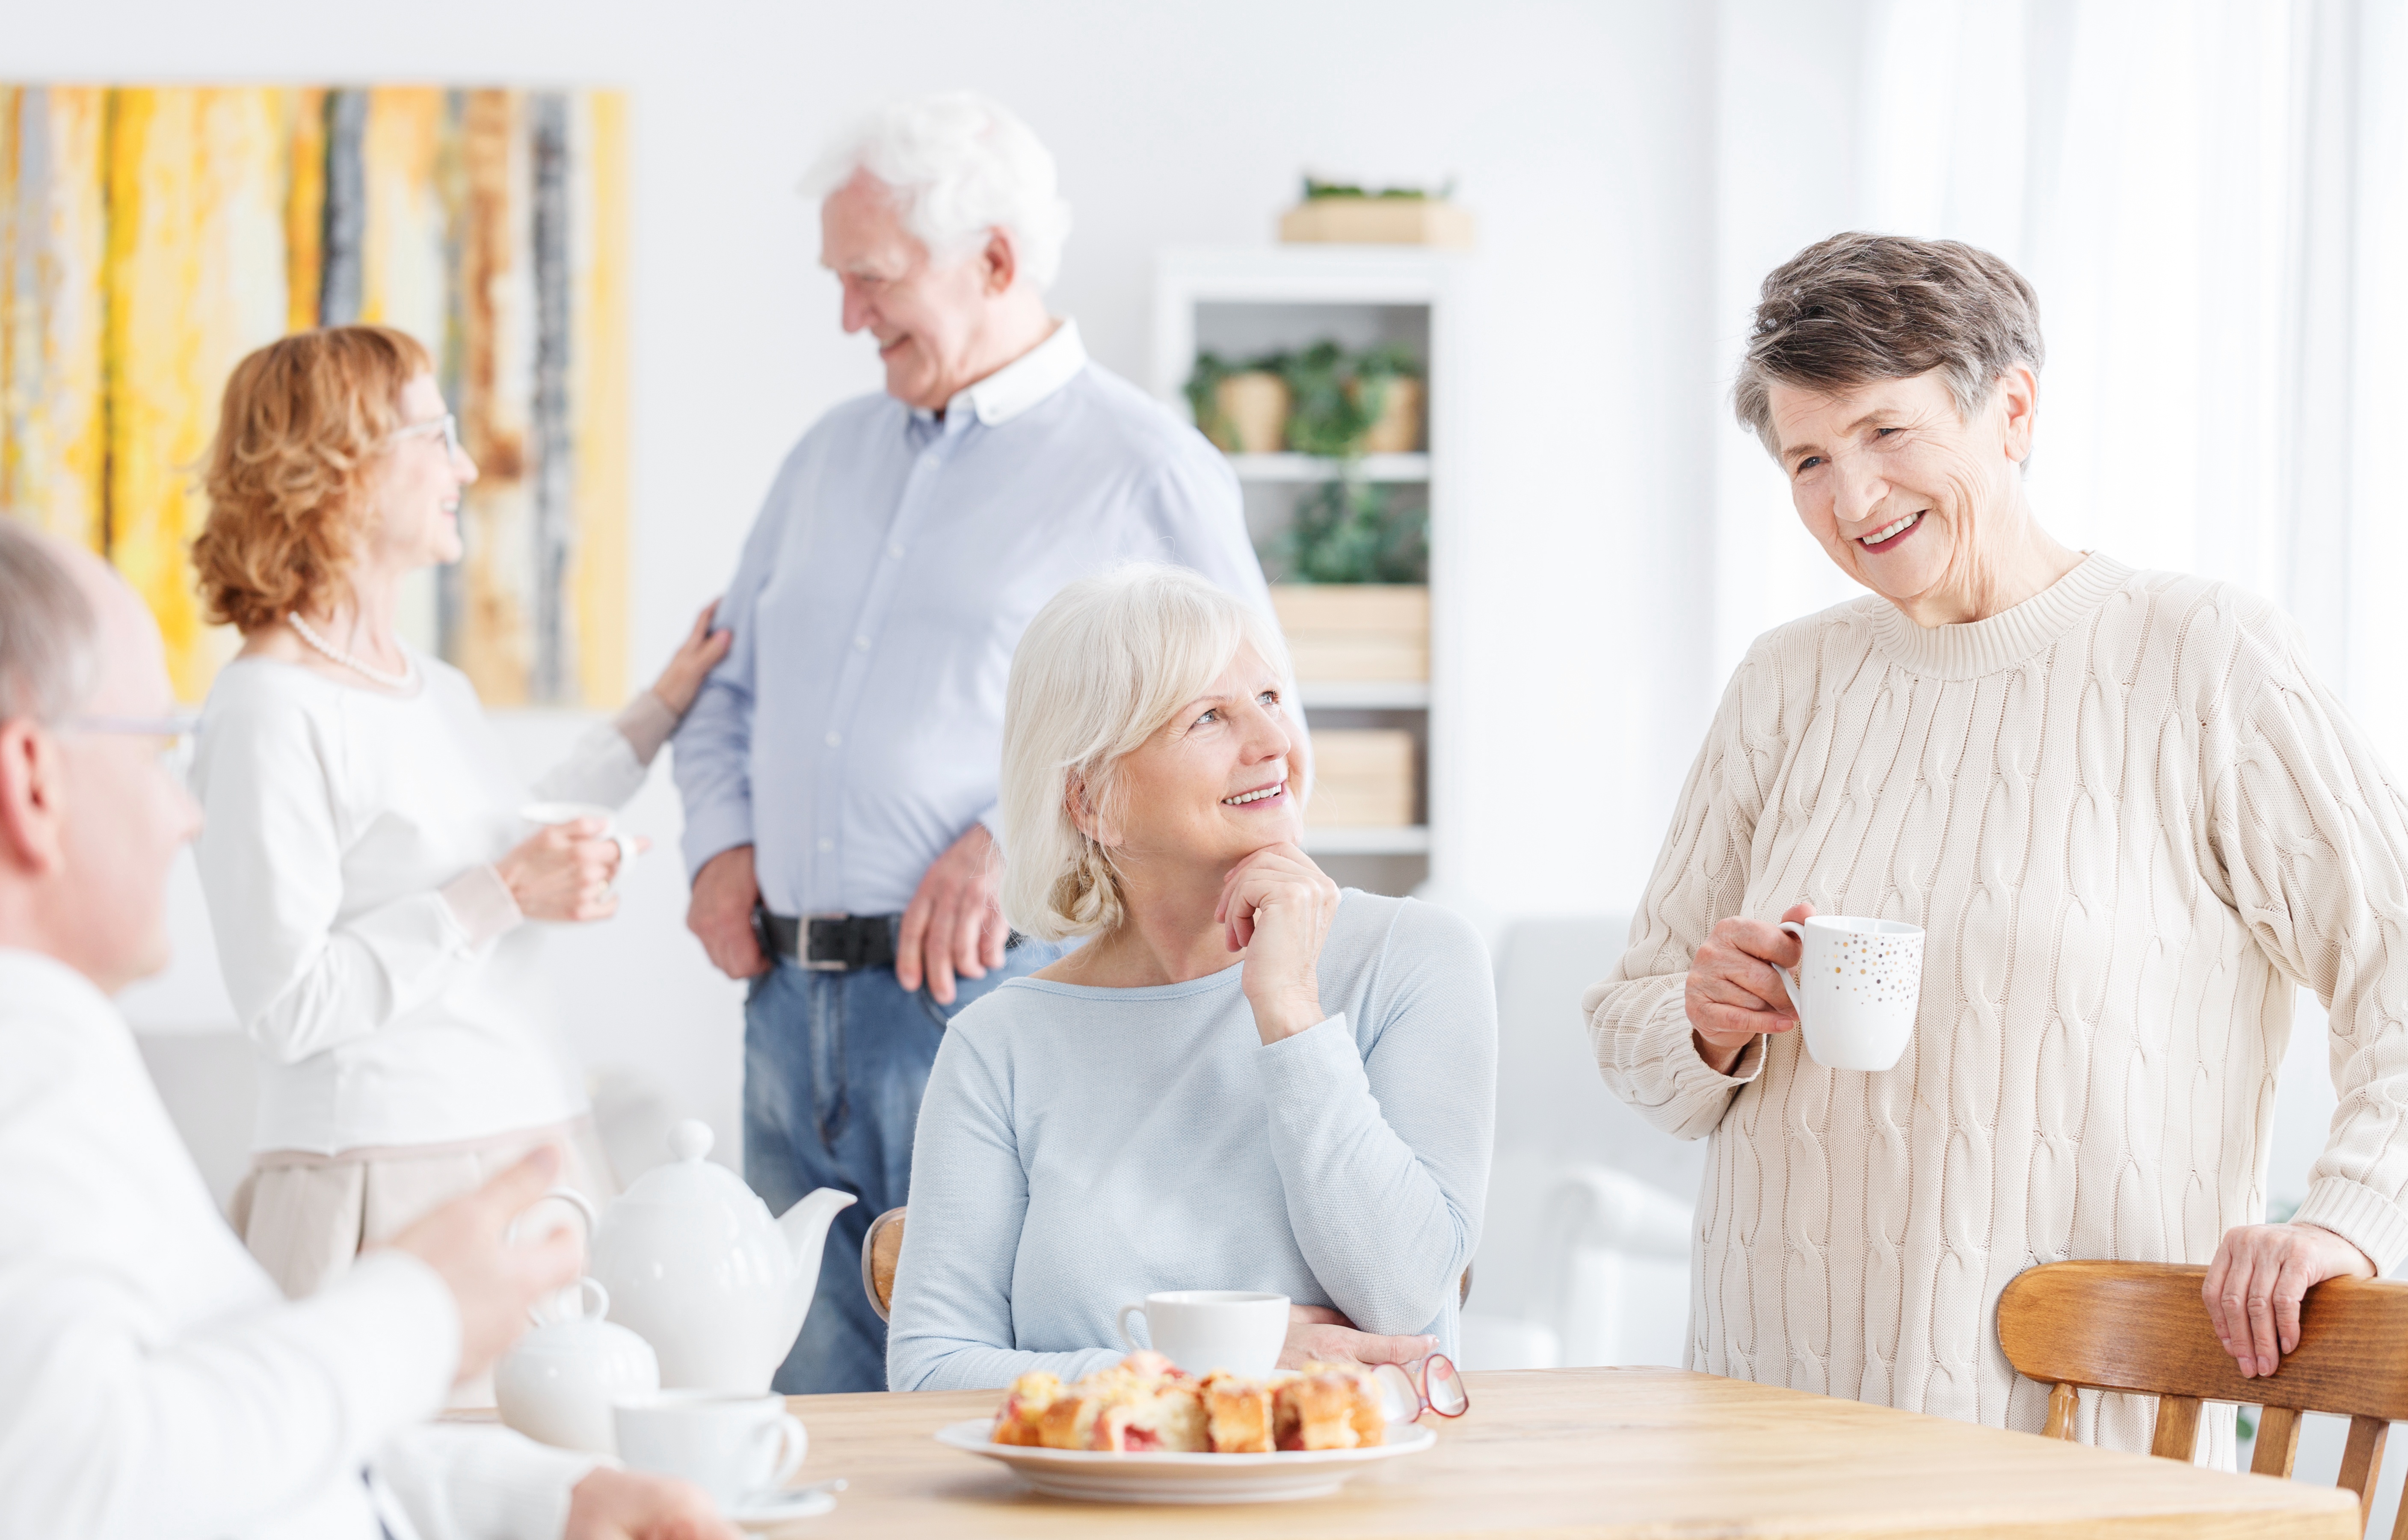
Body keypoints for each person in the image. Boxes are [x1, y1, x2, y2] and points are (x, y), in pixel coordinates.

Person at [1584, 232, 2408, 1458]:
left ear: (2008, 409)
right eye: (1806, 458)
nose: (1849, 497)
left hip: (2075, 1412)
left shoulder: (2201, 658)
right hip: (1773, 1402)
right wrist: (1704, 1021)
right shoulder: (1784, 682)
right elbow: (1631, 1032)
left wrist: (2347, 1216)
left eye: (1884, 433)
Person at [675, 94, 1275, 1393]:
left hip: (984, 1002)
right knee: (800, 1396)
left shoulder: (1145, 468)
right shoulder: (823, 459)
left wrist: (1016, 836)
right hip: (787, 1013)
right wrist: (719, 842)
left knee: (988, 1397)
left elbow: (1245, 746)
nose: (849, 318)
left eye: (871, 280)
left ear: (994, 261)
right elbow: (721, 690)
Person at [0, 515, 734, 1540]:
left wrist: (545, 1501)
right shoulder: (29, 1077)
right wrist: (418, 1310)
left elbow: (230, 1420)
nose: (186, 814)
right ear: (33, 783)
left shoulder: (64, 1052)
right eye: (157, 748)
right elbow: (76, 1485)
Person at [185, 326, 732, 1320]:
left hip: (534, 1142)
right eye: (435, 436)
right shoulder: (269, 707)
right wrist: (504, 894)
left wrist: (656, 712)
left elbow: (497, 841)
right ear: (339, 465)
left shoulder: (431, 687)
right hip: (386, 1178)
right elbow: (289, 1002)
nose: (466, 466)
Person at [885, 564, 1493, 1391]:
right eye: (1209, 716)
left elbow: (1403, 1294)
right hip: (1090, 1516)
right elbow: (930, 1371)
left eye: (1272, 699)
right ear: (1091, 799)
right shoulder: (1002, 1042)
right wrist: (1199, 1370)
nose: (1273, 741)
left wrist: (1291, 1013)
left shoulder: (1415, 958)